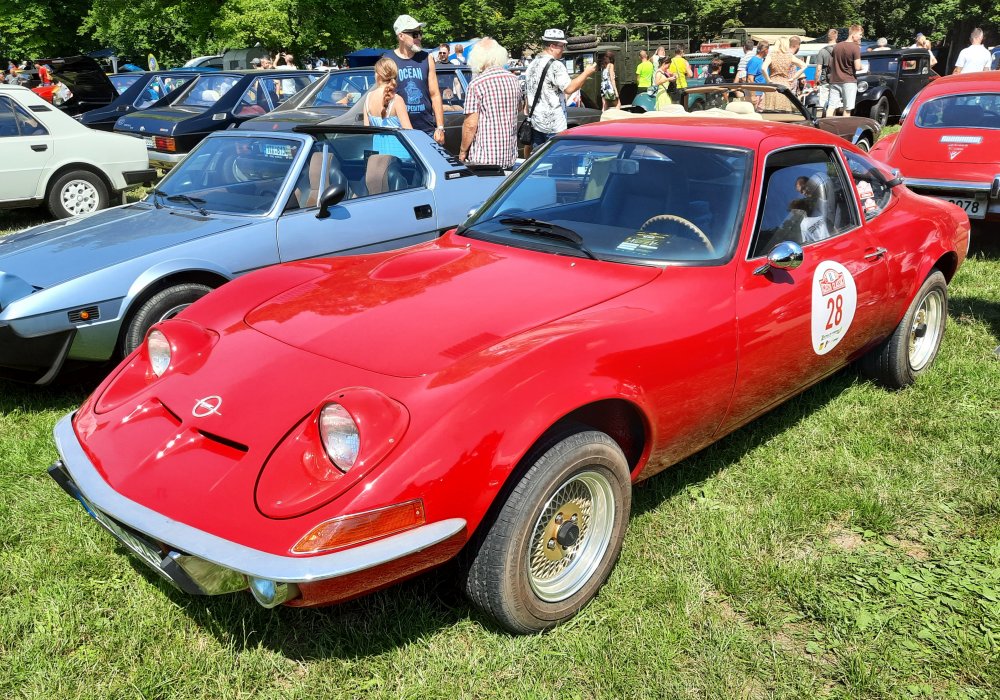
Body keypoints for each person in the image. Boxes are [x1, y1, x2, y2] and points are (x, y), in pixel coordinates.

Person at [523, 28, 597, 151]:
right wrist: (586, 73)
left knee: (538, 160)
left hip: (536, 122)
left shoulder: (533, 64)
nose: (564, 49)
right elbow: (569, 88)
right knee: (556, 161)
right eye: (561, 46)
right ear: (552, 46)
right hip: (553, 125)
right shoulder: (556, 65)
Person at [458, 38, 522, 168]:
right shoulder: (514, 79)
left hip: (485, 158)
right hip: (509, 154)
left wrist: (463, 150)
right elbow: (519, 107)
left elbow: (470, 124)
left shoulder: (477, 84)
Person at [384, 14, 446, 144]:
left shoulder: (426, 58)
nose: (419, 37)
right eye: (414, 34)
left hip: (427, 130)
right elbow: (382, 96)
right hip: (398, 131)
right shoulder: (388, 60)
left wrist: (440, 127)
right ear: (401, 36)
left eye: (420, 33)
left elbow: (435, 94)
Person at [363, 57, 413, 160]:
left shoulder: (368, 98)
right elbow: (410, 132)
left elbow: (366, 130)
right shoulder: (397, 100)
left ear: (378, 75)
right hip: (400, 155)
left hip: (378, 155)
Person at [829, 24, 864, 116]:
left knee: (831, 106)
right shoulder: (855, 47)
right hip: (849, 81)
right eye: (860, 35)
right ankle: (845, 128)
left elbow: (830, 63)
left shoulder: (837, 46)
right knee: (847, 108)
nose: (861, 37)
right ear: (854, 34)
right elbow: (857, 67)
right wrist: (862, 67)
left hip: (834, 80)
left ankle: (825, 126)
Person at [762, 36, 806, 108]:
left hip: (772, 85)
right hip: (785, 86)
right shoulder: (789, 56)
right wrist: (793, 78)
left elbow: (763, 68)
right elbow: (804, 66)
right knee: (784, 111)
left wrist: (768, 80)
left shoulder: (771, 55)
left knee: (770, 110)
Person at [745, 41, 769, 111]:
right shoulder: (754, 61)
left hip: (760, 92)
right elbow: (750, 79)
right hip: (755, 93)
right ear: (765, 50)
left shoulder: (761, 61)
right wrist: (753, 95)